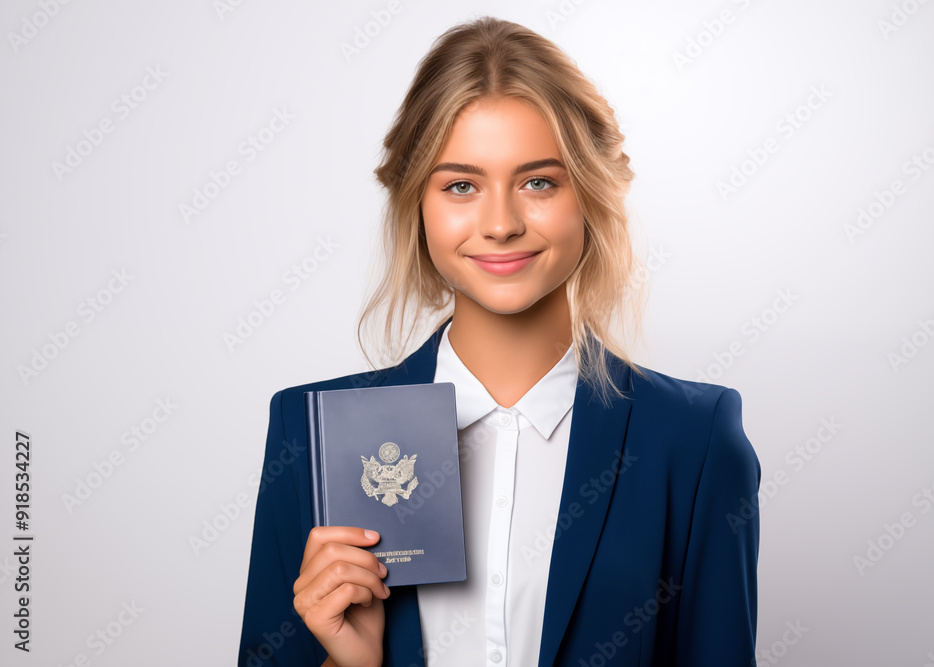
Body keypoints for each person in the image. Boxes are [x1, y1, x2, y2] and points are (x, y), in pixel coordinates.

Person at [239, 16, 760, 667]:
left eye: (539, 181)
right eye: (461, 185)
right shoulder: (310, 431)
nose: (502, 223)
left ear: (591, 195)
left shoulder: (694, 440)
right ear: (416, 205)